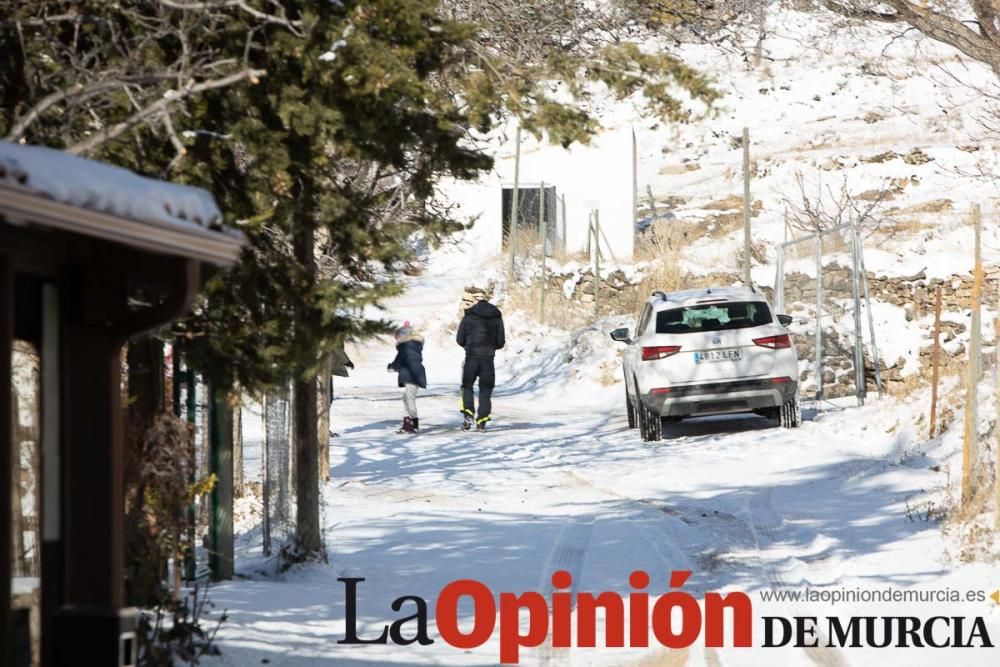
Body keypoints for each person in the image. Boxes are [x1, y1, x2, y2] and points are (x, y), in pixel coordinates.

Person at [456, 299, 505, 431]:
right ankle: (482, 421)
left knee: (467, 386)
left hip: (471, 358)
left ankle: (468, 414)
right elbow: (500, 342)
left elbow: (459, 339)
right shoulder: (496, 318)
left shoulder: (468, 317)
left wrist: (468, 345)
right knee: (486, 389)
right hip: (488, 360)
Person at [387, 321, 426, 433]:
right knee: (407, 398)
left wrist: (392, 367)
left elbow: (399, 360)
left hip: (411, 373)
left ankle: (410, 424)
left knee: (409, 398)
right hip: (416, 372)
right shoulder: (416, 345)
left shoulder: (405, 346)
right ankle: (412, 423)